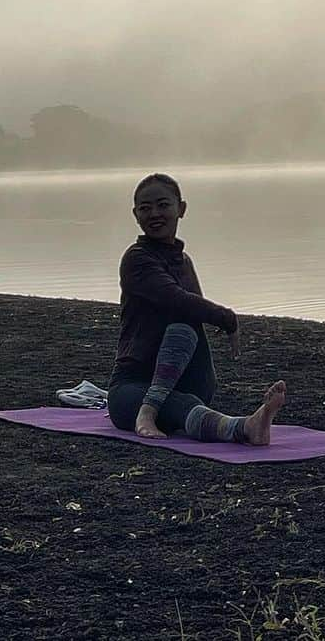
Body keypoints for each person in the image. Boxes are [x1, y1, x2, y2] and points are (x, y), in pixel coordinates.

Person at [108, 172, 286, 445]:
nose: (154, 213)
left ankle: (159, 410)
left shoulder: (184, 262)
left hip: (185, 380)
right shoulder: (136, 259)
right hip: (132, 387)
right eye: (145, 208)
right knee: (181, 403)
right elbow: (174, 297)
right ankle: (244, 428)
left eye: (163, 205)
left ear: (181, 209)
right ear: (135, 214)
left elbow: (189, 308)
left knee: (187, 324)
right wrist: (227, 318)